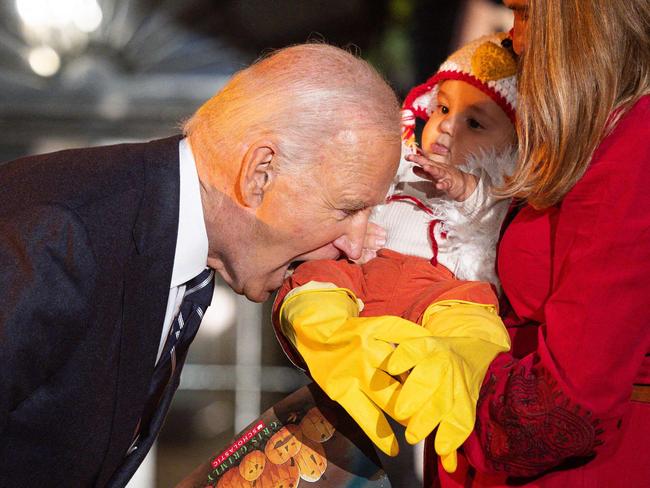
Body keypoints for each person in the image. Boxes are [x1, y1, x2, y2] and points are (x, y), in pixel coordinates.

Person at [0, 43, 408, 486]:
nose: (356, 244)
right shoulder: (57, 234)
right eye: (348, 209)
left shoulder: (182, 242)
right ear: (260, 174)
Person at [393, 0, 650, 485]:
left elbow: (569, 405)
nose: (513, 36)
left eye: (526, 12)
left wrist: (438, 376)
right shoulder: (588, 135)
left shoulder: (634, 141)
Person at [272, 32, 519, 471]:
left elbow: (497, 224)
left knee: (475, 322)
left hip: (438, 293)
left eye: (474, 123)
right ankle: (338, 341)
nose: (445, 126)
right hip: (365, 273)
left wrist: (465, 188)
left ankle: (451, 368)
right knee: (312, 286)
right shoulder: (400, 163)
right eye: (443, 108)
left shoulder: (497, 195)